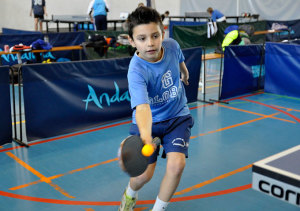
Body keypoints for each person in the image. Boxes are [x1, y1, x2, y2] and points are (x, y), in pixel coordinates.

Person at [118, 6, 194, 211]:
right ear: (132, 41)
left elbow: (179, 61)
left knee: (177, 165)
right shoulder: (136, 70)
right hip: (148, 123)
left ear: (163, 34)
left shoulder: (172, 45)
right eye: (142, 39)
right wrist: (145, 138)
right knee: (143, 176)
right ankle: (129, 195)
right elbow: (142, 108)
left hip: (177, 116)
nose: (150, 43)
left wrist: (185, 74)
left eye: (155, 36)